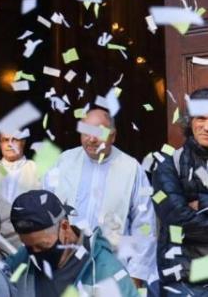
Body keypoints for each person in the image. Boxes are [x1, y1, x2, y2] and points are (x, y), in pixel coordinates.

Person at [43, 108, 158, 288]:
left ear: (113, 136)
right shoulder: (64, 162)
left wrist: (136, 277)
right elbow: (45, 209)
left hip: (113, 270)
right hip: (65, 267)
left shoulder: (131, 169)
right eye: (86, 132)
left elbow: (144, 226)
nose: (92, 139)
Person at [7, 189, 138, 296]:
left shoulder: (105, 271)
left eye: (42, 245)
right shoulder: (20, 261)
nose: (35, 253)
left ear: (64, 227)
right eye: (29, 247)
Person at [152, 87, 208, 295]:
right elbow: (176, 220)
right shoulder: (169, 165)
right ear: (189, 122)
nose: (206, 127)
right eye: (200, 118)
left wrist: (198, 204)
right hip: (183, 280)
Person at [0, 132, 40, 252]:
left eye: (15, 139)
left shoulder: (39, 171)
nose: (10, 144)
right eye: (5, 140)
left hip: (29, 242)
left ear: (23, 141)